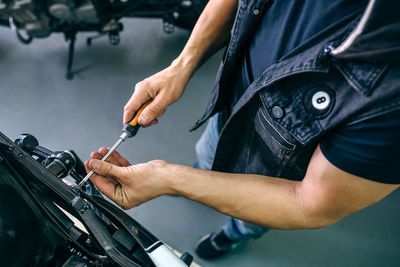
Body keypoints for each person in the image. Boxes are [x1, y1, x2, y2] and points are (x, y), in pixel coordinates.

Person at [85, 0, 400, 260]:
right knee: (208, 155)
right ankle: (204, 174)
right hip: (231, 112)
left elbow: (311, 202)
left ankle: (232, 235)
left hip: (276, 175)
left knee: (246, 220)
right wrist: (183, 64)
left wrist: (171, 179)